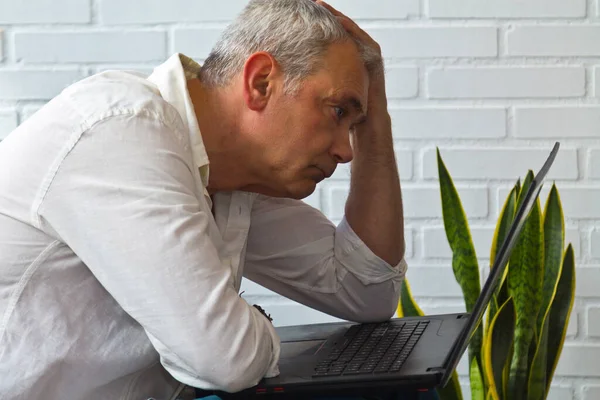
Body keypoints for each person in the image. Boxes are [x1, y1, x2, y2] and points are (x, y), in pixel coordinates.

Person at [0, 1, 409, 399]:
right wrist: (252, 327)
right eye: (339, 112)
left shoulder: (228, 176)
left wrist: (376, 122)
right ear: (261, 82)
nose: (346, 150)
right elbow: (227, 360)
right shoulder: (122, 132)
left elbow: (366, 290)